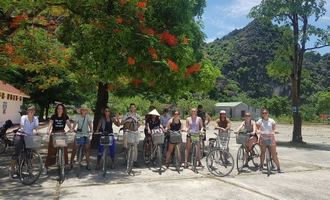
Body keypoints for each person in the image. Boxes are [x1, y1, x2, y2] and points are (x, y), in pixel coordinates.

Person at [10, 105, 39, 177]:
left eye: (33, 110)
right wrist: (23, 130)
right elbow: (22, 125)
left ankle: (30, 170)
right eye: (29, 110)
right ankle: (12, 169)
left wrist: (36, 132)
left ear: (34, 111)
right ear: (27, 111)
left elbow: (36, 127)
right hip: (20, 135)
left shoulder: (35, 119)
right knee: (17, 152)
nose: (31, 111)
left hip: (29, 136)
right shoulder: (24, 117)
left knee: (30, 154)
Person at [44, 104, 72, 174]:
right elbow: (50, 124)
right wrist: (48, 130)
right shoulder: (53, 116)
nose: (60, 110)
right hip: (54, 133)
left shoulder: (65, 117)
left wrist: (71, 128)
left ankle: (66, 164)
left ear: (63, 110)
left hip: (62, 133)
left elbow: (68, 124)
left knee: (65, 149)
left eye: (61, 109)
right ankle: (46, 166)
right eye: (58, 109)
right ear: (56, 109)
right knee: (51, 150)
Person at [256, 109, 281, 173]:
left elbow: (274, 128)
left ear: (268, 113)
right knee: (262, 153)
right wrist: (258, 131)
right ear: (262, 114)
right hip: (263, 138)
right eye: (263, 113)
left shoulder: (271, 121)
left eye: (266, 113)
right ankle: (261, 165)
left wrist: (275, 131)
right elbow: (257, 128)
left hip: (270, 138)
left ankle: (278, 167)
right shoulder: (260, 121)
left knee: (274, 154)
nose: (265, 114)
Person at [70, 105, 93, 170]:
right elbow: (74, 124)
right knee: (74, 148)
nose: (84, 111)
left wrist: (91, 130)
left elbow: (90, 124)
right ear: (80, 110)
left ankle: (88, 164)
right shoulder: (77, 116)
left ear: (86, 111)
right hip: (78, 134)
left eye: (85, 110)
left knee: (87, 149)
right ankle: (71, 163)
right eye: (82, 109)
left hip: (86, 134)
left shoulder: (88, 116)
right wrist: (72, 129)